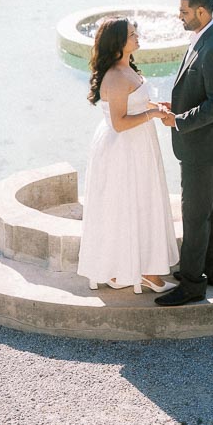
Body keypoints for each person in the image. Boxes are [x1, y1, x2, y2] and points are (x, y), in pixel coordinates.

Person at [154, 0, 213, 308]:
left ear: (201, 12)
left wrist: (178, 121)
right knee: (212, 205)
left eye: (184, 12)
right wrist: (176, 105)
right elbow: (202, 90)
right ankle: (212, 268)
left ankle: (193, 284)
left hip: (206, 144)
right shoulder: (206, 39)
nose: (179, 17)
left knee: (194, 213)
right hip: (211, 143)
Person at [77, 16, 178, 295]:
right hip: (123, 149)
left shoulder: (127, 68)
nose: (137, 37)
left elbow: (135, 103)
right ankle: (131, 270)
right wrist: (154, 114)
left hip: (138, 144)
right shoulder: (115, 76)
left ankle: (139, 269)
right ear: (119, 43)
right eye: (132, 34)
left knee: (141, 203)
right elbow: (120, 123)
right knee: (128, 205)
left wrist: (155, 105)